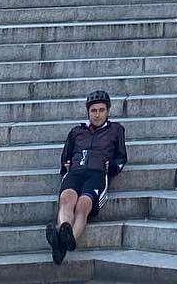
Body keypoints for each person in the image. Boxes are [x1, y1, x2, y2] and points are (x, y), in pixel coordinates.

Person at [46, 90, 126, 265]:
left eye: (101, 110)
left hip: (97, 175)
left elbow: (121, 158)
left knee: (83, 205)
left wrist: (111, 167)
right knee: (66, 200)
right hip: (75, 173)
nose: (97, 115)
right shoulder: (76, 131)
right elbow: (65, 156)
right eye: (93, 111)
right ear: (88, 112)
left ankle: (63, 242)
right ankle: (64, 236)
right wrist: (65, 165)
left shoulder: (116, 130)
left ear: (108, 111)